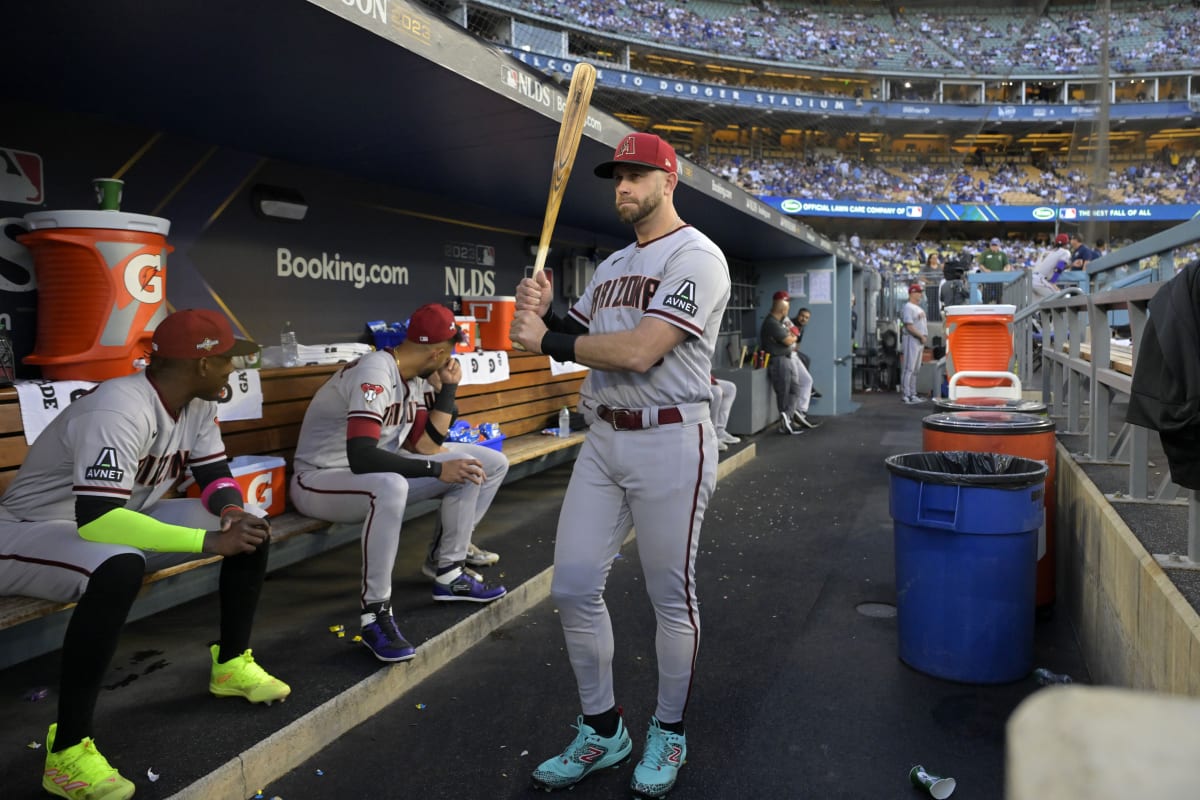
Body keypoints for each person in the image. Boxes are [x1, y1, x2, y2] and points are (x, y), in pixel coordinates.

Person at [510, 131, 730, 798]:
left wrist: (548, 335)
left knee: (671, 598)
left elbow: (638, 351)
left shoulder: (699, 257)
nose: (623, 186)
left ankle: (670, 729)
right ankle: (604, 731)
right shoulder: (608, 268)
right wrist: (540, 314)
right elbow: (577, 341)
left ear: (669, 182)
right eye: (617, 176)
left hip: (672, 437)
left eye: (636, 175)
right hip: (603, 437)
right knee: (573, 586)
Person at [0, 309, 290, 800]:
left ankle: (232, 665)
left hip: (109, 520)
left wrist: (231, 511)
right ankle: (67, 751)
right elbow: (97, 520)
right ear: (199, 364)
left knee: (250, 526)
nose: (232, 370)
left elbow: (213, 473)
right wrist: (206, 541)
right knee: (118, 566)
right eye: (225, 361)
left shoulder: (196, 403)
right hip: (28, 533)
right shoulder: (118, 407)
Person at [290, 303, 508, 663]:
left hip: (371, 473)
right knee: (392, 486)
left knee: (484, 463)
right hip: (321, 478)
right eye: (451, 349)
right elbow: (362, 456)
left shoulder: (415, 378)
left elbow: (426, 447)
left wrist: (447, 390)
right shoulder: (376, 370)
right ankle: (375, 614)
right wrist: (437, 471)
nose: (452, 357)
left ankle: (448, 569)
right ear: (437, 351)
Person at [760, 291, 816, 434]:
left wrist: (791, 337)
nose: (788, 309)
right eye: (787, 305)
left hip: (787, 358)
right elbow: (789, 340)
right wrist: (791, 337)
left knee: (795, 388)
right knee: (784, 391)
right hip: (778, 360)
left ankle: (790, 417)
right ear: (783, 308)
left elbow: (795, 335)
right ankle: (785, 422)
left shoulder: (782, 321)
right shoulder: (772, 323)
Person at [900, 283, 929, 404]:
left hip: (919, 341)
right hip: (911, 338)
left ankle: (913, 394)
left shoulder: (919, 308)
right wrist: (921, 336)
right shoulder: (908, 307)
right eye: (918, 292)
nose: (920, 294)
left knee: (916, 369)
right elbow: (909, 326)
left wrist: (923, 337)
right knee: (909, 368)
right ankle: (906, 395)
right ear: (912, 293)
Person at [1031, 233, 1073, 300]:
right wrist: (1053, 282)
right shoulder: (1065, 252)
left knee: (1035, 307)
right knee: (1062, 298)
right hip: (1040, 280)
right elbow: (1059, 267)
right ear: (1066, 243)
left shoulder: (1046, 252)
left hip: (1031, 279)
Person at [709, 374, 739, 451]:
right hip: (689, 381)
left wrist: (713, 380)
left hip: (704, 378)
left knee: (730, 388)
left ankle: (719, 430)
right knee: (717, 391)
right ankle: (712, 436)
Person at [978, 237, 1010, 304]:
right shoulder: (985, 254)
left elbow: (1007, 264)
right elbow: (980, 264)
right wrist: (985, 269)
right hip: (988, 279)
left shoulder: (1002, 254)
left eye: (995, 245)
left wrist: (1007, 269)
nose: (994, 247)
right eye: (993, 245)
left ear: (999, 246)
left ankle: (999, 312)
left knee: (999, 297)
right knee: (986, 297)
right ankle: (985, 311)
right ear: (990, 245)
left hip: (999, 279)